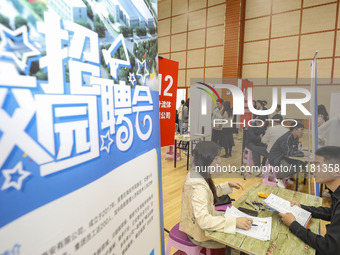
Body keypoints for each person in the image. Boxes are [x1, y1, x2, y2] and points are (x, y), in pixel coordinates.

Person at [180, 141, 253, 251]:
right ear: (206, 160)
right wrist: (235, 222)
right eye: (216, 159)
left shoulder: (198, 171)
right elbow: (204, 221)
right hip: (200, 234)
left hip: (201, 222)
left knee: (238, 222)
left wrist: (227, 185)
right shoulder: (197, 185)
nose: (219, 162)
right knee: (241, 240)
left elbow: (207, 193)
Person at [279, 146, 340, 255]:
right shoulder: (336, 194)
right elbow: (332, 213)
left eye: (318, 165)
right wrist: (302, 208)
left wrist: (293, 224)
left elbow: (329, 247)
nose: (313, 169)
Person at [268, 122, 310, 188]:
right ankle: (278, 178)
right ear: (295, 130)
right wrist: (303, 154)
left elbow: (294, 151)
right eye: (301, 130)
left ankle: (286, 176)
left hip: (285, 157)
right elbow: (289, 152)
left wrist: (298, 153)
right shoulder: (287, 138)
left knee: (302, 165)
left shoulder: (295, 137)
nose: (303, 132)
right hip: (276, 158)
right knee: (288, 168)